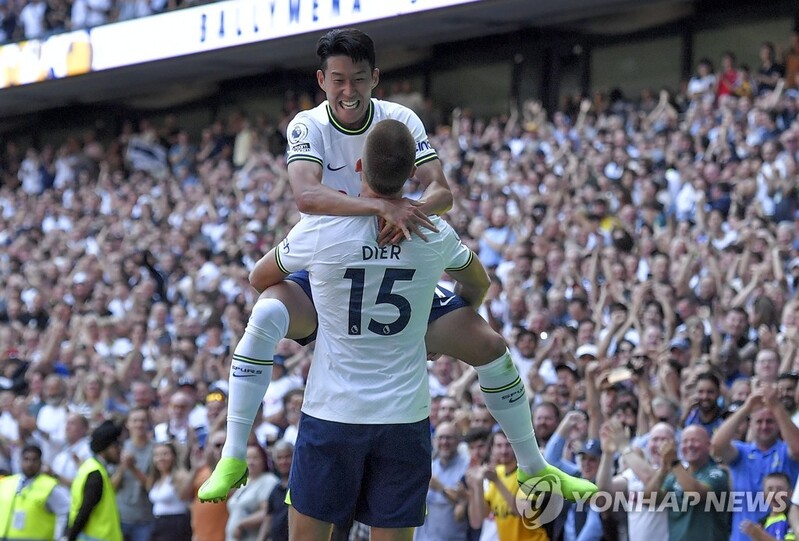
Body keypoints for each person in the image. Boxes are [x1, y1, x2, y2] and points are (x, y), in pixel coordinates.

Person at [200, 27, 596, 505]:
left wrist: (411, 213)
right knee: (265, 314)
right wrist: (380, 209)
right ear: (322, 80)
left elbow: (441, 190)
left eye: (359, 80)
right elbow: (305, 195)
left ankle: (534, 469)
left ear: (376, 78)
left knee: (490, 343)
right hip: (331, 258)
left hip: (398, 254)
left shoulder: (400, 118)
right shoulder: (307, 125)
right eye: (339, 80)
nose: (349, 92)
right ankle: (234, 453)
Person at [645, 425, 730, 541]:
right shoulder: (675, 476)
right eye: (685, 441)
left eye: (695, 441)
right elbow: (648, 500)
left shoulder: (717, 473)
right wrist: (663, 469)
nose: (689, 445)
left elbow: (694, 494)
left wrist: (674, 462)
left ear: (708, 446)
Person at [67, 420, 124, 541]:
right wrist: (70, 537)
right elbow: (85, 510)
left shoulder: (90, 467)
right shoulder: (95, 474)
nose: (119, 450)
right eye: (115, 446)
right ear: (104, 448)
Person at [0, 444, 70, 541]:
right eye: (26, 459)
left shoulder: (49, 486)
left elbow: (65, 511)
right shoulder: (7, 482)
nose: (30, 464)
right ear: (20, 461)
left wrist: (58, 537)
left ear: (41, 463)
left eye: (34, 460)